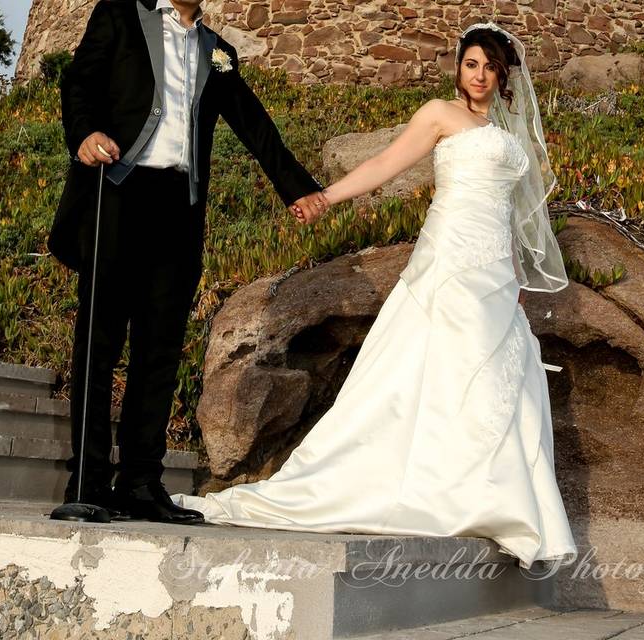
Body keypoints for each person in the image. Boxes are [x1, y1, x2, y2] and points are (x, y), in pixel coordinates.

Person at [172, 22, 578, 569]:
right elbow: (386, 165)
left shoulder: (507, 133)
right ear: (459, 67)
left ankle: (490, 498)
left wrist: (513, 273)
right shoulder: (438, 113)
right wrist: (324, 198)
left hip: (495, 270)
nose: (480, 76)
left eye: (491, 67)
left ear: (505, 76)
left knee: (496, 372)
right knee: (444, 362)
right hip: (450, 256)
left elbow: (509, 212)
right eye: (472, 64)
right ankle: (448, 493)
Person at [47, 0, 329, 524]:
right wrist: (84, 133)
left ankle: (139, 482)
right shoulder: (121, 14)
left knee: (160, 347)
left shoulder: (216, 50)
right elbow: (79, 81)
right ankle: (86, 480)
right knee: (99, 342)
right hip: (119, 190)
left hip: (180, 207)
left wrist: (298, 189)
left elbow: (253, 122)